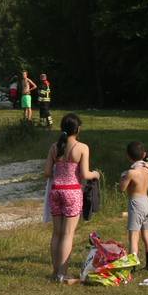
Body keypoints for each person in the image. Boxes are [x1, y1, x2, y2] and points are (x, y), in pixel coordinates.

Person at [43, 114, 98, 282]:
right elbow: (85, 174)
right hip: (72, 192)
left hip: (55, 191)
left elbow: (46, 173)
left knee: (57, 233)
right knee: (68, 234)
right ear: (78, 129)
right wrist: (96, 174)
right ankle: (63, 274)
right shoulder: (82, 148)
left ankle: (55, 272)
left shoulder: (55, 147)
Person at [118, 141, 148, 271]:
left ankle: (132, 267)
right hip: (147, 203)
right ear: (144, 154)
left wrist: (122, 178)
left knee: (134, 237)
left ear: (128, 156)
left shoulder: (131, 173)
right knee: (147, 235)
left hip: (136, 204)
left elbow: (122, 188)